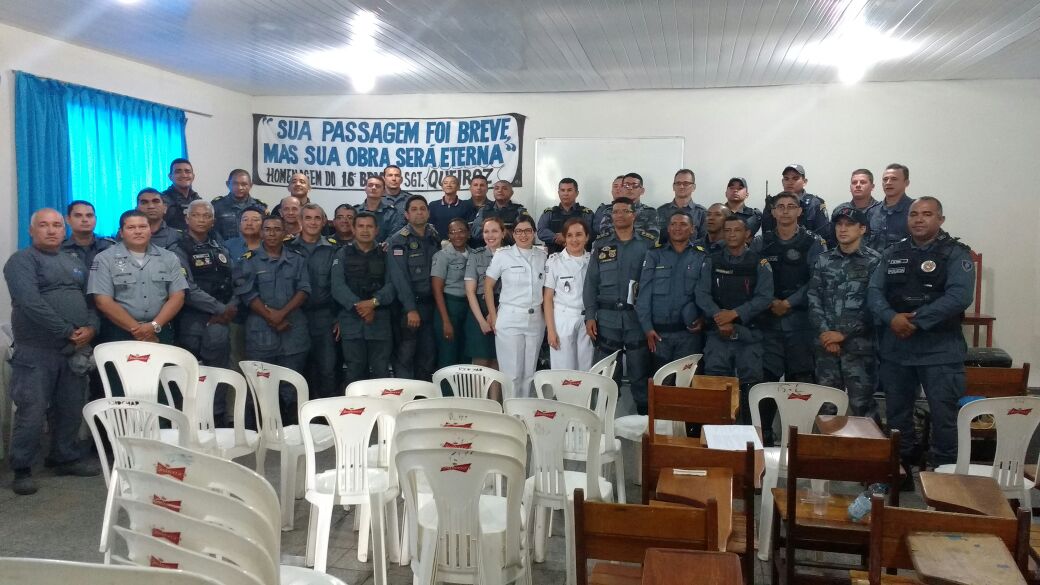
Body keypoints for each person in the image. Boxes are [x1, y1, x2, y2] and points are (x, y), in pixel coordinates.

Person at [868, 196, 974, 474]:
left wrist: (917, 321)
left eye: (927, 214)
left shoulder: (955, 253)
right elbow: (874, 291)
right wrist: (891, 317)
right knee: (896, 415)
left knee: (944, 416)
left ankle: (945, 474)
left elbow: (960, 296)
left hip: (940, 349)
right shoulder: (893, 252)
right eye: (914, 214)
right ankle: (900, 469)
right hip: (898, 349)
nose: (918, 219)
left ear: (940, 219)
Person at [5, 208, 101, 495]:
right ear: (31, 230)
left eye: (57, 225)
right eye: (44, 225)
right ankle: (22, 468)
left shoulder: (73, 262)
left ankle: (64, 457)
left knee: (70, 408)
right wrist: (67, 330)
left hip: (73, 350)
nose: (51, 230)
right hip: (36, 351)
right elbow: (29, 302)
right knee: (32, 411)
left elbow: (91, 301)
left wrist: (91, 328)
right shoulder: (21, 260)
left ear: (64, 229)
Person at [752, 191, 826, 443]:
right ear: (773, 212)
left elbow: (816, 280)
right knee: (765, 384)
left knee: (800, 386)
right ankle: (764, 442)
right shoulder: (761, 242)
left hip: (801, 325)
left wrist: (789, 302)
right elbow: (752, 277)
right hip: (768, 323)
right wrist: (771, 300)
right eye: (780, 206)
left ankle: (797, 442)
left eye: (790, 206)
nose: (785, 210)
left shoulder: (813, 242)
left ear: (799, 211)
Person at [695, 216, 773, 423]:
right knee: (715, 387)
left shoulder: (759, 263)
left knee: (750, 389)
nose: (731, 235)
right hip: (718, 335)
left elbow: (765, 298)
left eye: (736, 230)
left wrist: (735, 314)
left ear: (747, 234)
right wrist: (720, 318)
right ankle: (714, 436)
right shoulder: (712, 261)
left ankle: (749, 435)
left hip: (749, 335)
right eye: (727, 230)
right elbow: (701, 294)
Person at [233, 215, 310, 424]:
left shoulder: (297, 259)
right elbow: (247, 293)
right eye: (267, 229)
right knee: (261, 386)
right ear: (261, 232)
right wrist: (272, 317)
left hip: (292, 332)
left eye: (277, 229)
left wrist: (281, 314)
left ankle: (292, 430)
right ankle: (262, 431)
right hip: (261, 333)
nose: (272, 233)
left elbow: (304, 289)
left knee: (291, 386)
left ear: (285, 233)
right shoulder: (248, 260)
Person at [808, 207, 882, 422]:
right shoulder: (824, 260)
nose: (842, 229)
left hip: (859, 347)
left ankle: (868, 444)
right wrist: (826, 333)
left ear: (862, 229)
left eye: (849, 224)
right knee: (827, 407)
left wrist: (843, 334)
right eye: (839, 224)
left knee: (863, 406)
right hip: (826, 347)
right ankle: (830, 445)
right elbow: (813, 298)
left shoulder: (875, 261)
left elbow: (874, 305)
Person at [584, 197, 654, 414]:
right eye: (615, 212)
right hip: (607, 320)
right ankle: (603, 422)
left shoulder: (647, 244)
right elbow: (591, 282)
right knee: (606, 374)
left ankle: (643, 423)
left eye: (625, 211)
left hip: (636, 320)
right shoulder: (601, 244)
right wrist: (590, 315)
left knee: (639, 373)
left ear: (634, 215)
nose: (620, 215)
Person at [89, 210, 188, 344]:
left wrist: (154, 325)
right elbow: (103, 301)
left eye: (143, 227)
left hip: (160, 329)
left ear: (150, 230)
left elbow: (178, 296)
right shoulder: (104, 259)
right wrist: (139, 331)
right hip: (119, 331)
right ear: (121, 232)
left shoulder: (169, 257)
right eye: (131, 227)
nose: (138, 231)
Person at [637, 212, 706, 377]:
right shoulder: (654, 254)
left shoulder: (701, 256)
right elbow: (644, 294)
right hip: (659, 335)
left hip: (689, 335)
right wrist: (647, 328)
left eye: (683, 224)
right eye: (673, 224)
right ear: (668, 228)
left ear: (692, 229)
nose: (677, 228)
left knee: (686, 384)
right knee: (660, 383)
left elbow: (706, 293)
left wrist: (704, 319)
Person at [331, 212, 395, 386]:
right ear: (353, 229)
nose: (365, 230)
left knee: (381, 371)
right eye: (360, 226)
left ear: (377, 230)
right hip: (351, 321)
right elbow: (337, 287)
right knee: (354, 372)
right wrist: (360, 307)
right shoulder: (342, 254)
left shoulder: (386, 254)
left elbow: (392, 285)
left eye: (369, 226)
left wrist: (373, 303)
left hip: (379, 321)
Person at [170, 201, 236, 370]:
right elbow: (187, 288)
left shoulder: (220, 248)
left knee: (220, 372)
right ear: (187, 219)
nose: (201, 220)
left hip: (221, 320)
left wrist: (230, 307)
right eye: (196, 215)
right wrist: (220, 309)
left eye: (206, 216)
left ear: (213, 221)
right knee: (191, 373)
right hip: (192, 320)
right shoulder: (178, 249)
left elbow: (234, 281)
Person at [485, 215, 546, 397]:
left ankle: (524, 410)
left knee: (529, 373)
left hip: (536, 319)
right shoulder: (503, 255)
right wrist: (493, 316)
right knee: (512, 374)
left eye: (528, 231)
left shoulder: (542, 256)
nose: (523, 235)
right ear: (513, 233)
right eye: (519, 231)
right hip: (510, 318)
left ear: (534, 233)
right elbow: (488, 286)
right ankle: (511, 411)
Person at [286, 203, 339, 400]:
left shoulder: (333, 248)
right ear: (300, 221)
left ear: (324, 221)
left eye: (317, 218)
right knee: (296, 370)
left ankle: (325, 413)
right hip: (294, 317)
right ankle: (298, 412)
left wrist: (339, 317)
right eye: (308, 218)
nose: (313, 222)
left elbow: (338, 286)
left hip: (324, 317)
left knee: (327, 369)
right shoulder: (287, 248)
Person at [386, 195, 440, 381]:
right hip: (408, 309)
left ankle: (422, 395)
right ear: (407, 215)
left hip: (430, 306)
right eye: (414, 209)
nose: (419, 212)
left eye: (422, 209)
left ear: (428, 213)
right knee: (406, 356)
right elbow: (399, 278)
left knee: (428, 355)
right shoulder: (398, 240)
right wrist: (410, 309)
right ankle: (405, 395)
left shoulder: (433, 236)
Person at [544, 217, 593, 370]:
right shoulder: (554, 261)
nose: (574, 239)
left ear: (587, 237)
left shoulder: (593, 261)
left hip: (587, 319)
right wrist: (551, 330)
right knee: (563, 369)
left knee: (586, 368)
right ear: (564, 238)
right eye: (569, 235)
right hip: (563, 318)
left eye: (579, 234)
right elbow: (547, 298)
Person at [432, 218, 474, 369]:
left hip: (469, 308)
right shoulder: (442, 256)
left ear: (468, 233)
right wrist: (446, 321)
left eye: (461, 231)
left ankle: (464, 386)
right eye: (452, 232)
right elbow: (437, 289)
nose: (457, 235)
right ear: (448, 235)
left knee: (466, 355)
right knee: (448, 356)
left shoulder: (474, 254)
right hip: (449, 307)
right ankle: (446, 386)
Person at [464, 217, 505, 371]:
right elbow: (470, 291)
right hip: (479, 309)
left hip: (503, 307)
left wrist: (495, 313)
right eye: (486, 232)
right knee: (480, 361)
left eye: (495, 231)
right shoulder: (476, 255)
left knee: (498, 359)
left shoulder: (511, 254)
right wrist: (482, 321)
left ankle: (496, 390)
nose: (490, 235)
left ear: (503, 233)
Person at [761, 164, 830, 241]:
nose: (790, 182)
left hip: (807, 247)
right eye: (786, 179)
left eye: (795, 178)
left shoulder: (814, 203)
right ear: (782, 182)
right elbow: (766, 233)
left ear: (804, 182)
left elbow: (823, 235)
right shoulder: (773, 203)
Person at [595, 173, 660, 243]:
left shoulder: (650, 212)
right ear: (622, 189)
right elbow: (606, 236)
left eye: (635, 186)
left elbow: (652, 238)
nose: (630, 188)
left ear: (642, 191)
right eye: (626, 185)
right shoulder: (610, 211)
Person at [537, 178, 593, 255]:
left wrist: (566, 237)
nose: (565, 193)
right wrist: (556, 237)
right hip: (554, 258)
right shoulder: (549, 213)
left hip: (581, 258)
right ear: (558, 193)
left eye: (569, 190)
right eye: (562, 190)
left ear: (577, 193)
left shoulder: (586, 213)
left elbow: (591, 234)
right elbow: (541, 232)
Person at [829, 168, 881, 248]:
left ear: (872, 187)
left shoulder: (882, 211)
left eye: (863, 182)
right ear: (850, 187)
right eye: (854, 182)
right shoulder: (840, 210)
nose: (858, 185)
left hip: (876, 255)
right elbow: (832, 241)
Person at [212, 169, 267, 241]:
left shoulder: (260, 207)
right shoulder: (216, 206)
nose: (239, 187)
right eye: (235, 183)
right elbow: (210, 232)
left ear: (251, 185)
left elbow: (264, 233)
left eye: (244, 184)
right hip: (223, 247)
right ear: (228, 184)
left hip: (252, 247)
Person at [872, 163, 915, 252]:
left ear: (906, 183)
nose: (888, 183)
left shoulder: (915, 210)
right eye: (885, 179)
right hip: (873, 260)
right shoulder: (872, 211)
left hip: (904, 259)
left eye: (894, 179)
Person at [656, 169, 706, 244]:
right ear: (673, 186)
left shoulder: (701, 213)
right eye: (678, 183)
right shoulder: (661, 211)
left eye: (686, 183)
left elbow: (704, 241)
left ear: (693, 187)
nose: (681, 186)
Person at [471, 180, 527, 246]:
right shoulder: (483, 210)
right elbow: (475, 232)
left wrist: (504, 233)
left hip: (511, 249)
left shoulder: (519, 210)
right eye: (497, 188)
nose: (500, 190)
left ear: (511, 193)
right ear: (493, 192)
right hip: (487, 249)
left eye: (504, 188)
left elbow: (526, 233)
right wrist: (493, 232)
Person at [61, 200, 115, 268]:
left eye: (89, 215)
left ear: (95, 219)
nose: (85, 220)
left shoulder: (109, 246)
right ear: (68, 220)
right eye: (78, 216)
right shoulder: (60, 249)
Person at [428, 175, 476, 242]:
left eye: (452, 183)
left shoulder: (466, 205)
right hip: (437, 244)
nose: (449, 185)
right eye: (445, 183)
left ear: (458, 187)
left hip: (460, 244)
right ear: (442, 187)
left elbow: (470, 229)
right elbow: (429, 228)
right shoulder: (433, 205)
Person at [353, 175, 399, 244]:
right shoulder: (355, 211)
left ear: (384, 191)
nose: (373, 188)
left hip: (383, 249)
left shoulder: (391, 213)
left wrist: (386, 244)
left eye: (378, 186)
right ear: (365, 189)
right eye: (370, 185)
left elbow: (394, 235)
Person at [161, 158, 201, 231]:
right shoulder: (161, 200)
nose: (184, 175)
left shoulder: (197, 200)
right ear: (170, 177)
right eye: (178, 172)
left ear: (193, 176)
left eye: (187, 171)